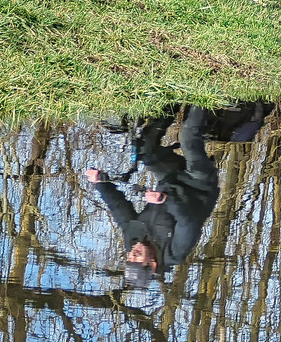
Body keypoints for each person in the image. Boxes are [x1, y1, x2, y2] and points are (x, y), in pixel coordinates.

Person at [85, 104, 262, 287]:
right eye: (137, 261)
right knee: (188, 137)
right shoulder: (175, 252)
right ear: (152, 265)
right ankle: (201, 97)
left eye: (130, 258)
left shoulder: (133, 240)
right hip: (199, 184)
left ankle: (171, 103)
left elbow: (118, 207)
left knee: (144, 149)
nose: (132, 254)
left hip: (170, 179)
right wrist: (165, 200)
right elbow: (188, 222)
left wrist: (100, 183)